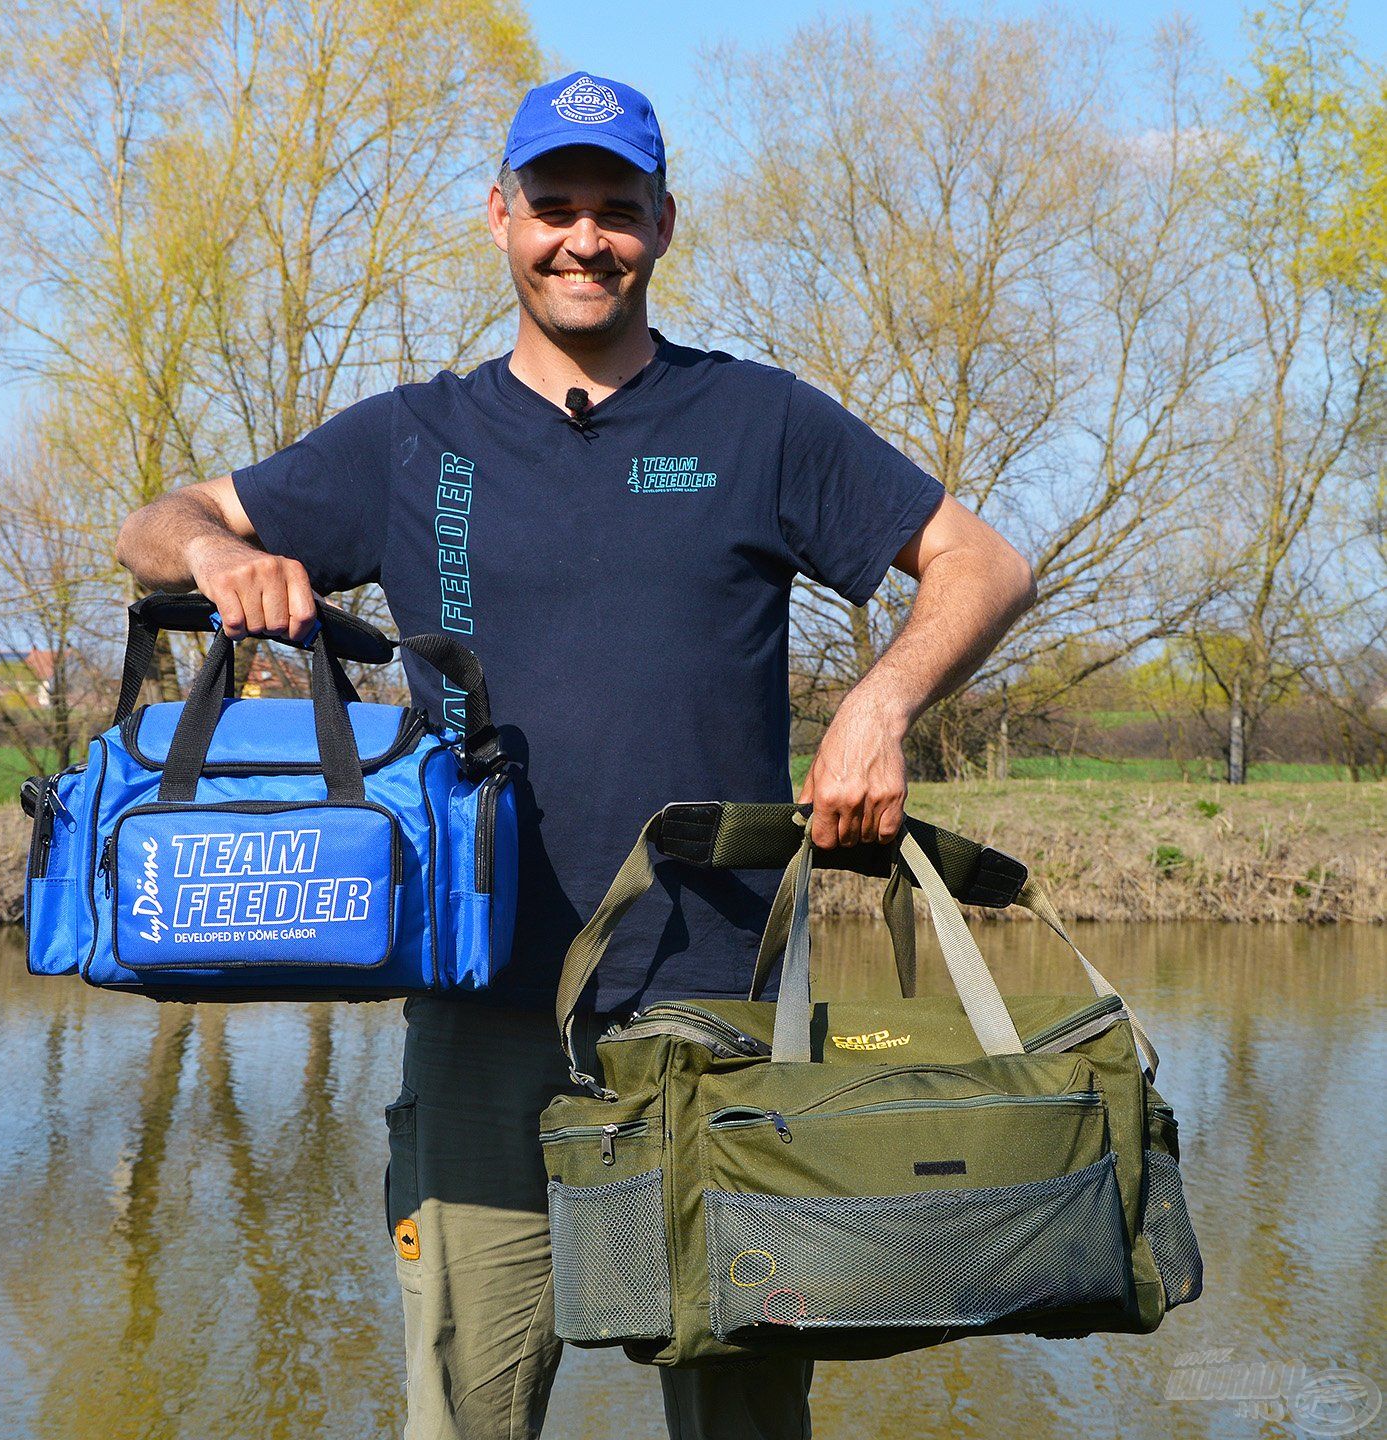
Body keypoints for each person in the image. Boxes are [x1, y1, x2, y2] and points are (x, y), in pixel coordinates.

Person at [115, 70, 1035, 1440]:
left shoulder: (760, 424)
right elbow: (159, 518)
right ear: (500, 217)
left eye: (616, 209)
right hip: (478, 1004)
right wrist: (219, 554)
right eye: (555, 206)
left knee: (738, 1418)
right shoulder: (411, 439)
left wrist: (881, 704)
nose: (583, 238)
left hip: (712, 1016)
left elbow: (983, 561)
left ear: (664, 225)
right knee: (462, 1416)